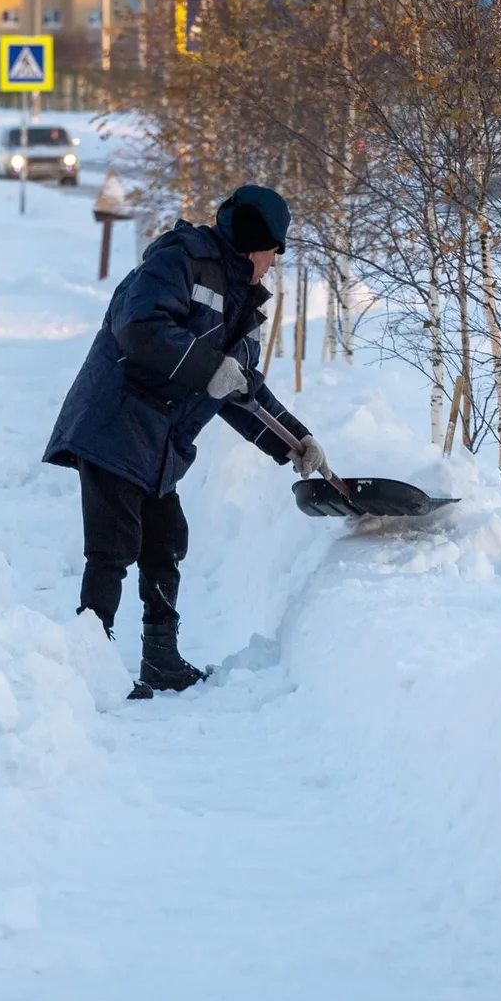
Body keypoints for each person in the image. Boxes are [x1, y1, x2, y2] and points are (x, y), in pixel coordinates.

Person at [43, 184, 328, 695]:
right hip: (116, 422)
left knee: (166, 542)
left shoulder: (246, 304)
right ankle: (88, 669)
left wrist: (295, 442)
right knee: (113, 547)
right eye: (273, 250)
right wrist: (208, 366)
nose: (273, 262)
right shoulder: (180, 261)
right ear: (253, 241)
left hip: (159, 442)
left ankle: (161, 659)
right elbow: (139, 327)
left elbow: (240, 389)